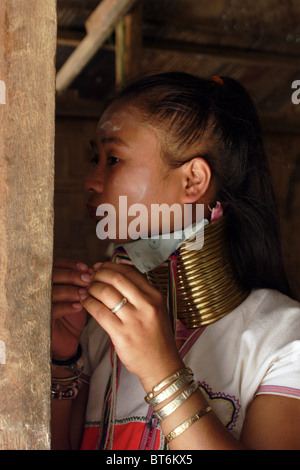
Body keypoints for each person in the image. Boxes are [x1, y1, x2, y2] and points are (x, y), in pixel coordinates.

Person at [51, 72, 300, 450]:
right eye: (94, 158)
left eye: (113, 158)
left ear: (192, 180)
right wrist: (62, 360)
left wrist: (160, 370)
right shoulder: (98, 332)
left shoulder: (284, 340)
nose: (91, 180)